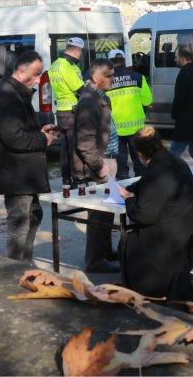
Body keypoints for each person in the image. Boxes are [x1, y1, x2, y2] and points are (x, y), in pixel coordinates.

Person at [0, 49, 59, 262]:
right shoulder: (6, 94)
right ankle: (15, 267)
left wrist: (40, 128)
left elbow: (21, 124)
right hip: (14, 172)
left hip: (25, 172)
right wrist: (43, 140)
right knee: (20, 220)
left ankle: (24, 261)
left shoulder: (17, 91)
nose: (38, 81)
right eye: (36, 74)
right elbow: (14, 137)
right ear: (21, 70)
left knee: (35, 215)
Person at [117, 126, 193, 301]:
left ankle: (141, 288)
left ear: (140, 155)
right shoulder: (174, 161)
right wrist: (130, 189)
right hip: (192, 234)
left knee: (128, 242)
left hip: (173, 245)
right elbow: (144, 183)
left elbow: (143, 216)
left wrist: (128, 199)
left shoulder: (156, 171)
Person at [72, 59, 120, 273]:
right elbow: (84, 142)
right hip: (98, 165)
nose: (113, 79)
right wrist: (100, 167)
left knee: (108, 211)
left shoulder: (101, 97)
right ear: (95, 77)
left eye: (112, 74)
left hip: (107, 159)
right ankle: (95, 260)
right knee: (99, 213)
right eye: (108, 75)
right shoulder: (88, 102)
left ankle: (106, 252)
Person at [105, 49, 153, 179]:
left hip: (116, 128)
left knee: (121, 164)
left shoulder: (106, 81)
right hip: (136, 128)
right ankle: (141, 185)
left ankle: (124, 189)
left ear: (109, 62)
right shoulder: (138, 77)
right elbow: (148, 101)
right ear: (124, 60)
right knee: (139, 160)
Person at [49, 37, 86, 186]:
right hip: (72, 111)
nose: (81, 55)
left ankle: (66, 179)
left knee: (64, 148)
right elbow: (80, 90)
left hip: (61, 111)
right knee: (75, 147)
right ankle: (77, 179)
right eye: (81, 52)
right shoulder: (68, 67)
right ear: (77, 50)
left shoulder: (55, 65)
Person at [169, 48, 193, 165]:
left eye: (176, 56)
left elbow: (179, 99)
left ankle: (167, 175)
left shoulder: (184, 74)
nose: (175, 59)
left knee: (173, 153)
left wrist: (174, 114)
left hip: (185, 122)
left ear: (182, 58)